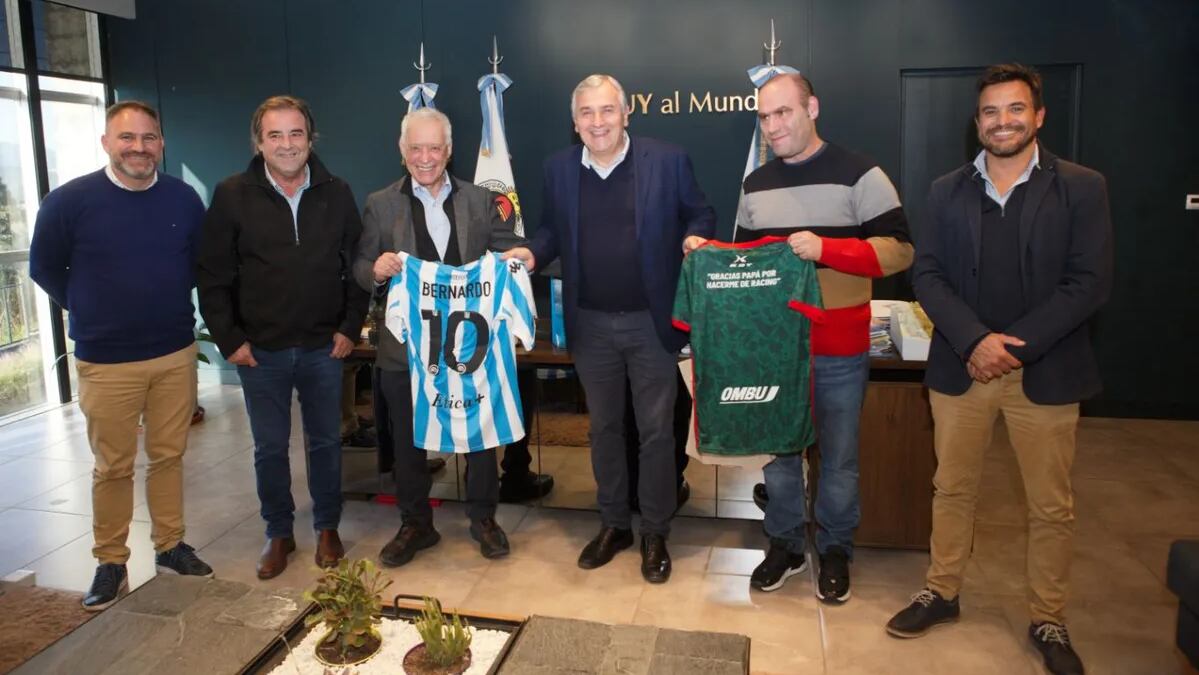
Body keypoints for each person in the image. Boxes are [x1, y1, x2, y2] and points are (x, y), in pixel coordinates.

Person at [886, 63, 1111, 675]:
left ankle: (1048, 617)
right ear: (977, 121)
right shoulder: (945, 190)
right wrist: (975, 340)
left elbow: (1089, 282)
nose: (1002, 121)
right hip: (964, 367)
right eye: (990, 111)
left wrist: (1016, 344)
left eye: (1015, 110)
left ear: (1038, 117)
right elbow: (925, 274)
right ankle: (943, 591)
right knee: (952, 489)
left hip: (1048, 370)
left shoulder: (1082, 187)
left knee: (1050, 505)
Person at [504, 73, 716, 584]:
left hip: (651, 323)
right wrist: (532, 252)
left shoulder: (666, 160)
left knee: (655, 432)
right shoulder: (557, 168)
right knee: (602, 431)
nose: (597, 122)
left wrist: (694, 238)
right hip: (591, 324)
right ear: (574, 123)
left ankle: (655, 532)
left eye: (606, 111)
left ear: (626, 114)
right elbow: (553, 229)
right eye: (586, 113)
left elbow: (701, 213)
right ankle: (615, 524)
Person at [733, 71, 913, 602]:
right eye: (764, 116)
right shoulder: (754, 185)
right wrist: (708, 252)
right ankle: (786, 545)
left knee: (838, 461)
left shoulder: (861, 174)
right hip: (776, 351)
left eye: (783, 112)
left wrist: (829, 250)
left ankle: (835, 549)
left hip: (838, 349)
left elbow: (901, 250)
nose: (773, 126)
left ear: (812, 107)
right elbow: (746, 266)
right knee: (779, 457)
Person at [29, 101, 213, 611]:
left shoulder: (182, 200)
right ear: (106, 143)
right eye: (127, 138)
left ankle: (171, 545)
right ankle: (110, 560)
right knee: (112, 466)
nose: (139, 147)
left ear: (161, 143)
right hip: (106, 360)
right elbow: (44, 267)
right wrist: (89, 307)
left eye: (149, 138)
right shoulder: (69, 202)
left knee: (169, 456)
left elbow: (198, 264)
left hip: (174, 351)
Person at [197, 95, 369, 579]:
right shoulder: (231, 195)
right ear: (259, 142)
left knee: (325, 444)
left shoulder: (337, 192)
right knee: (269, 448)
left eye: (296, 134)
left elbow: (356, 266)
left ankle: (328, 527)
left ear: (310, 139)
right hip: (261, 352)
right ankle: (279, 531)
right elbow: (212, 277)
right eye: (276, 135)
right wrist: (231, 341)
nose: (287, 144)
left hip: (323, 348)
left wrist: (349, 328)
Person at [353, 107, 524, 566]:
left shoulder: (479, 200)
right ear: (402, 150)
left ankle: (484, 517)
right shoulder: (380, 203)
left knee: (480, 436)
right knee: (407, 440)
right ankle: (415, 524)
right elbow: (359, 266)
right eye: (415, 148)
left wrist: (521, 254)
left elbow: (506, 249)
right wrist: (379, 271)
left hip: (469, 345)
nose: (424, 157)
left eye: (434, 147)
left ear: (448, 151)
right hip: (405, 348)